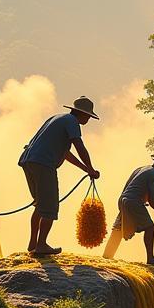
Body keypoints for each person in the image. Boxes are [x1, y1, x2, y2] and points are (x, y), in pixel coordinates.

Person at [19, 97, 101, 255]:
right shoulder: (72, 122)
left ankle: (32, 244)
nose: (88, 119)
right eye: (88, 116)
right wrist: (91, 167)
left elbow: (66, 154)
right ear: (82, 114)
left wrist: (86, 169)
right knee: (49, 206)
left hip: (29, 161)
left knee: (40, 204)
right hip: (43, 163)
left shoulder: (58, 119)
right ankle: (41, 244)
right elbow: (79, 146)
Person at [102, 151, 154, 264]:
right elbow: (152, 199)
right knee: (150, 227)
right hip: (133, 201)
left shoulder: (142, 169)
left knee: (118, 228)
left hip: (124, 199)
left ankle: (107, 255)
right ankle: (150, 258)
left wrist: (126, 203)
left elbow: (128, 187)